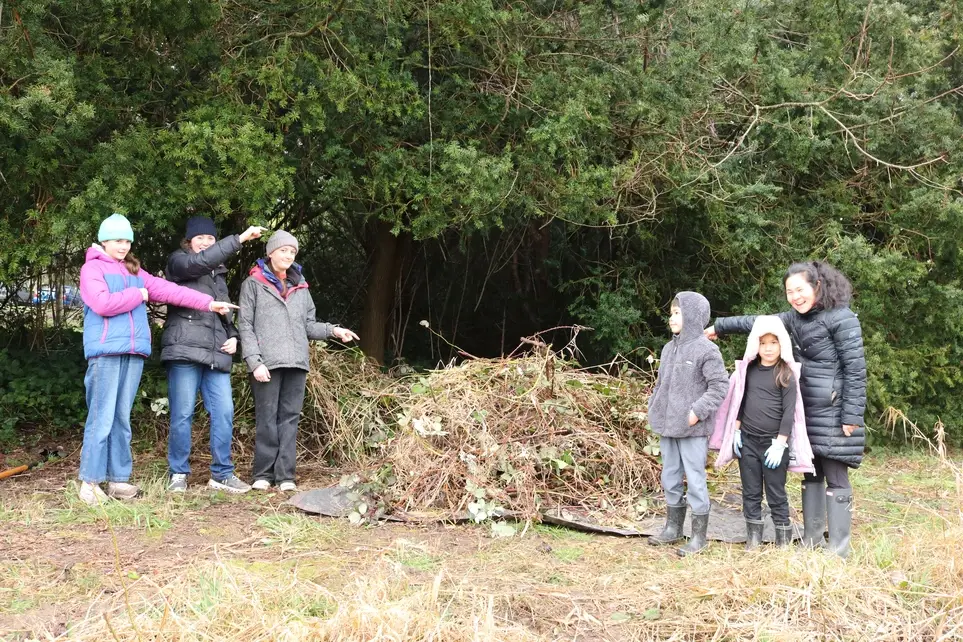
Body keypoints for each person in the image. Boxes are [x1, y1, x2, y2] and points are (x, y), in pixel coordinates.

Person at [705, 261, 866, 558]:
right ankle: (812, 539)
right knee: (810, 472)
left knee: (835, 474)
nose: (795, 296)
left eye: (800, 290)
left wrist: (852, 415)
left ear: (817, 286)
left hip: (833, 412)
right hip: (802, 414)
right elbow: (757, 322)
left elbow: (855, 369)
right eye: (790, 292)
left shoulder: (842, 318)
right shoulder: (792, 320)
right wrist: (719, 327)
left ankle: (839, 548)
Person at [78, 213, 236, 505]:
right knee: (101, 419)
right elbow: (102, 303)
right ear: (103, 240)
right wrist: (137, 294)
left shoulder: (134, 270)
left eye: (127, 240)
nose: (123, 246)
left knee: (121, 419)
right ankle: (89, 482)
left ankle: (118, 480)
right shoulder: (92, 269)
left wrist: (208, 302)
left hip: (134, 352)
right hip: (105, 353)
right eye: (117, 240)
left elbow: (170, 291)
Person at [237, 231, 359, 492]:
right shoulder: (253, 284)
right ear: (271, 253)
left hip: (297, 362)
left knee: (289, 418)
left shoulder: (301, 285)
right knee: (266, 418)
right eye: (284, 251)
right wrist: (254, 361)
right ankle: (263, 474)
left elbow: (308, 324)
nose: (289, 256)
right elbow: (245, 326)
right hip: (266, 362)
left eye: (292, 252)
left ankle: (285, 477)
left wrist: (334, 331)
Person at [161, 216, 267, 494]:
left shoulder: (217, 272)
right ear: (189, 241)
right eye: (201, 238)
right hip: (184, 348)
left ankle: (222, 474)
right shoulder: (179, 262)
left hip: (216, 352)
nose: (206, 243)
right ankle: (178, 474)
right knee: (182, 414)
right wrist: (240, 239)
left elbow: (224, 311)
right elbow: (200, 263)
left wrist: (232, 337)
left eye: (211, 239)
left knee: (224, 413)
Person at [709, 316, 814, 550]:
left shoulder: (786, 374)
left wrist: (780, 444)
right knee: (751, 490)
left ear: (782, 345)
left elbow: (790, 413)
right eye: (763, 342)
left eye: (773, 343)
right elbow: (740, 402)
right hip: (748, 442)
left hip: (773, 445)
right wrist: (736, 431)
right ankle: (754, 537)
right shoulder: (749, 372)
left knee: (776, 492)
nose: (768, 348)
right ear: (755, 344)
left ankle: (783, 538)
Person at [646, 292, 729, 556]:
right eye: (671, 313)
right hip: (667, 426)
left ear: (693, 316)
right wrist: (654, 405)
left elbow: (719, 386)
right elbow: (661, 384)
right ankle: (672, 528)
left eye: (678, 313)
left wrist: (697, 411)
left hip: (693, 429)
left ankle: (698, 537)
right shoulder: (668, 348)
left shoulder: (707, 349)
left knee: (695, 480)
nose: (672, 317)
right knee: (669, 477)